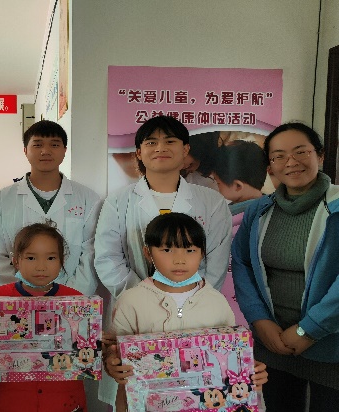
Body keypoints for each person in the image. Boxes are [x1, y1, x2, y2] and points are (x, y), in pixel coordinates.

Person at [104, 213, 268, 412]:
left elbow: (231, 355)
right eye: (167, 250)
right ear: (148, 253)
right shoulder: (131, 301)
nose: (180, 260)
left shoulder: (216, 302)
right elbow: (114, 349)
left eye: (190, 250)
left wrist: (250, 370)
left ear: (202, 253)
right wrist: (112, 363)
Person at [232, 122, 339, 411]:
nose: (291, 162)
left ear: (320, 155)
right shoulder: (259, 210)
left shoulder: (336, 207)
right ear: (270, 167)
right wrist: (259, 320)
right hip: (273, 343)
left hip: (331, 345)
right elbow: (242, 262)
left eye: (301, 151)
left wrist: (309, 330)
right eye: (279, 156)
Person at [95, 115, 232, 299]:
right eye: (151, 143)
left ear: (185, 149)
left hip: (196, 305)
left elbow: (217, 263)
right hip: (136, 304)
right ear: (139, 153)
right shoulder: (117, 202)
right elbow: (108, 258)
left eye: (170, 141)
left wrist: (190, 299)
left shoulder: (213, 202)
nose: (160, 148)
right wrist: (144, 296)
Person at [0, 223, 87, 412]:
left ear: (61, 260)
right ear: (16, 261)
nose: (41, 266)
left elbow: (85, 354)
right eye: (31, 258)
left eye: (51, 258)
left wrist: (96, 341)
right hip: (11, 399)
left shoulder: (76, 301)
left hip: (63, 398)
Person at [0, 120, 101, 296]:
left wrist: (70, 297)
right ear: (25, 150)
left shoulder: (88, 199)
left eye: (54, 145)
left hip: (72, 301)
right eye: (38, 145)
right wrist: (18, 296)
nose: (46, 151)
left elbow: (90, 255)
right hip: (16, 301)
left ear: (65, 150)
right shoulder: (1, 201)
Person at [212, 141, 268, 326]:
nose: (216, 188)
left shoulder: (235, 223)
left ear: (237, 185)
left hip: (237, 315)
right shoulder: (270, 211)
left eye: (218, 183)